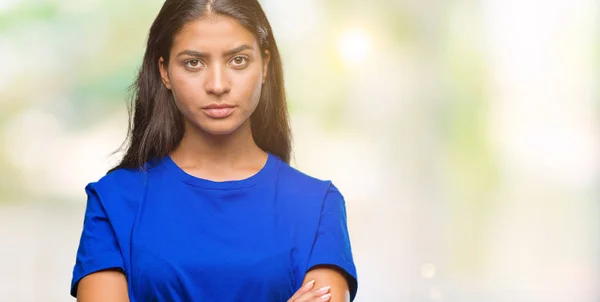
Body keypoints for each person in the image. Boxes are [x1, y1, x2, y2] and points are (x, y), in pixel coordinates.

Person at [70, 0, 358, 301]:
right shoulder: (113, 201)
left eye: (238, 61)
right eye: (194, 62)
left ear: (265, 66)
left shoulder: (318, 205)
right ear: (164, 71)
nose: (218, 85)